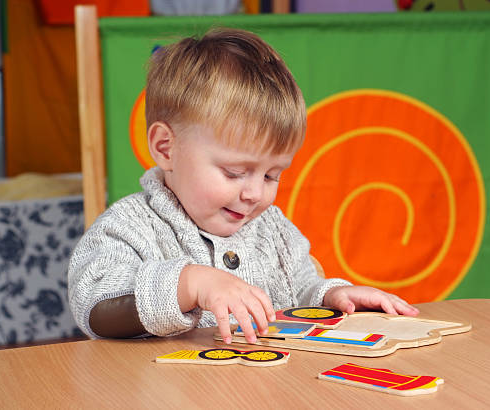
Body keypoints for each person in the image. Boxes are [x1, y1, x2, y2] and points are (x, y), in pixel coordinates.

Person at [68, 27, 418, 345]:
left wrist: (332, 297)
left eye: (271, 176)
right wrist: (191, 284)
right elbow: (93, 305)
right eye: (235, 172)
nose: (253, 194)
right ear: (165, 148)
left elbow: (300, 293)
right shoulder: (130, 225)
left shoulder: (274, 232)